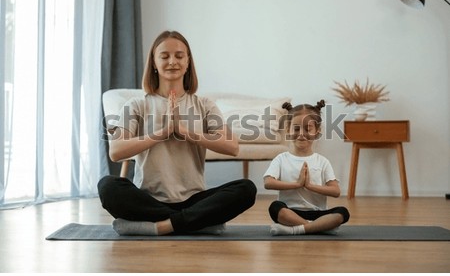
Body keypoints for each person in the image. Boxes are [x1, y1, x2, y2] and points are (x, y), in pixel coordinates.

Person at [98, 30, 256, 236]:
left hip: (193, 199)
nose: (172, 61)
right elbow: (116, 152)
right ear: (154, 62)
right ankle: (198, 221)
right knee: (108, 186)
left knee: (246, 189)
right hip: (148, 199)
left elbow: (232, 147)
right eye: (164, 56)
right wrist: (162, 133)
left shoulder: (205, 105)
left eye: (179, 56)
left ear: (188, 61)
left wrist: (185, 131)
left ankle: (161, 226)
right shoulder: (136, 105)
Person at [264, 100, 350, 235]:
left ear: (317, 131)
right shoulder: (281, 159)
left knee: (342, 213)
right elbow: (268, 183)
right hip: (291, 212)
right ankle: (319, 227)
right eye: (296, 128)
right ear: (288, 130)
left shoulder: (322, 161)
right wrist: (297, 184)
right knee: (275, 208)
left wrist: (309, 186)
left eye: (308, 129)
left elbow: (335, 191)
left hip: (318, 213)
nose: (301, 134)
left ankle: (296, 229)